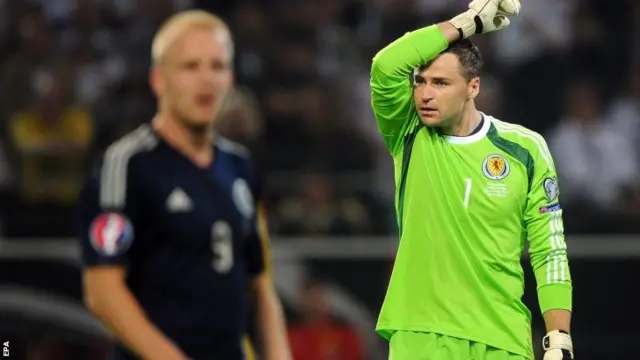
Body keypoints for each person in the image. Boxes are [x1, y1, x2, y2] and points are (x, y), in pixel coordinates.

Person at [78, 10, 291, 360]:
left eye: (217, 66)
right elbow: (103, 291)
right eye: (190, 67)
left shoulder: (240, 167)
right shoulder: (128, 165)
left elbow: (258, 285)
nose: (206, 80)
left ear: (231, 79)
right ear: (158, 79)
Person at [370, 1, 574, 360]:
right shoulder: (409, 132)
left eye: (441, 83)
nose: (425, 94)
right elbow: (386, 65)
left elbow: (549, 248)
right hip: (421, 332)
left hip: (502, 336)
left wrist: (558, 336)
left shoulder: (525, 149)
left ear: (473, 87)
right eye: (420, 82)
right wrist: (465, 24)